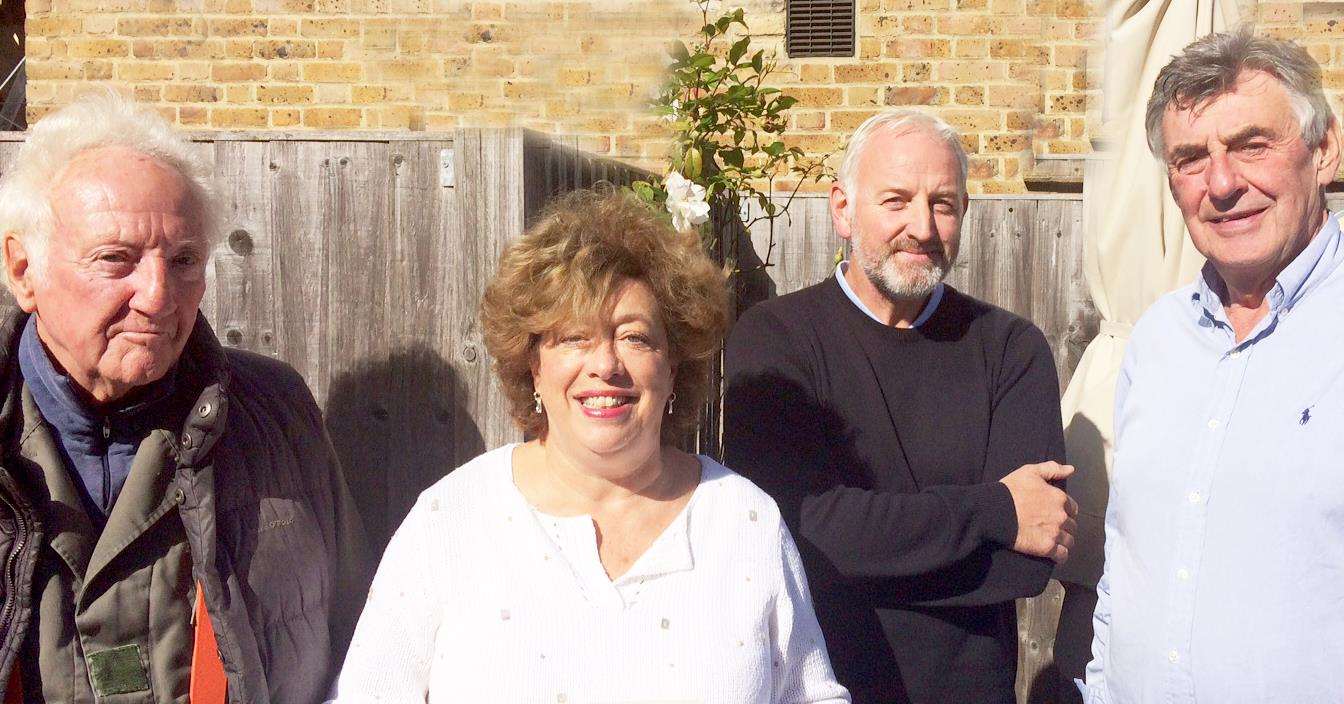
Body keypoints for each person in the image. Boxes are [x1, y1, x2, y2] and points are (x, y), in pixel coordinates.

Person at [329, 189, 849, 703]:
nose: (605, 365)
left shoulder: (743, 521)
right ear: (533, 364)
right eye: (575, 336)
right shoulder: (453, 518)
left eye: (635, 337)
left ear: (673, 367)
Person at [0, 90, 371, 703]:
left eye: (183, 260)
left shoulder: (277, 415)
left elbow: (363, 644)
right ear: (23, 271)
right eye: (115, 259)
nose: (157, 294)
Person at [723, 108, 1078, 704]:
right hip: (813, 686)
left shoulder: (1010, 349)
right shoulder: (776, 340)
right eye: (896, 200)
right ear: (843, 209)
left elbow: (1026, 567)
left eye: (942, 203)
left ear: (964, 212)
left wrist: (861, 545)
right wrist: (995, 512)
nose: (922, 226)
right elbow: (797, 536)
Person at [1082, 30, 1344, 703]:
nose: (1222, 184)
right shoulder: (1157, 341)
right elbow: (1127, 568)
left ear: (1325, 150)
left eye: (1252, 145)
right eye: (1191, 158)